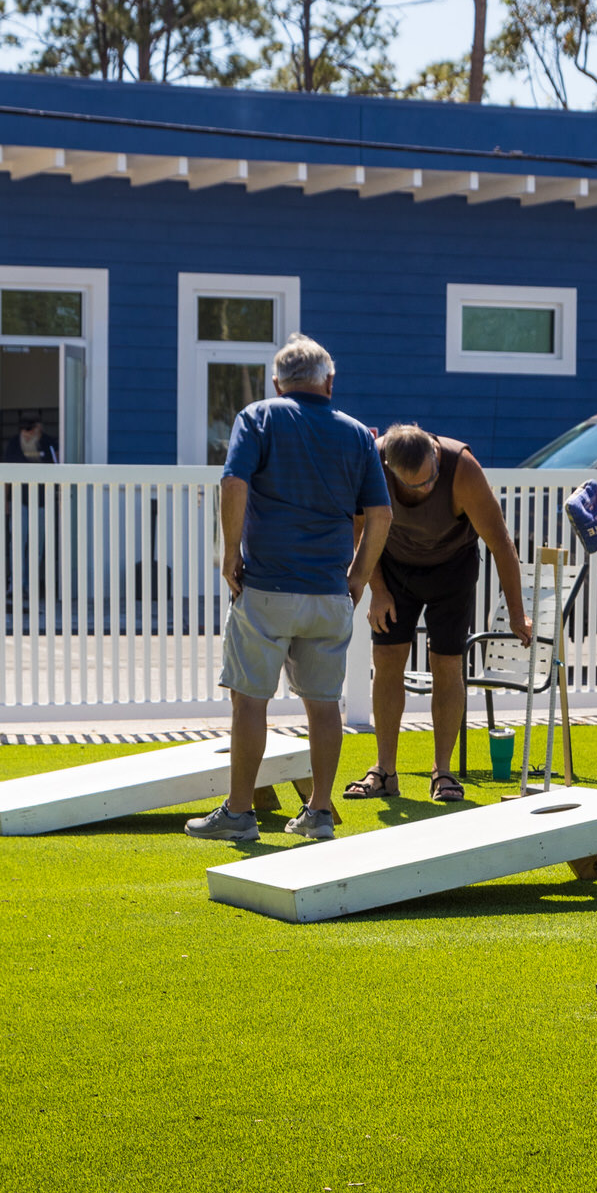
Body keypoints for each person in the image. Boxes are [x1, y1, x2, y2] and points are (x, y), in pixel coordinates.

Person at [186, 334, 392, 843]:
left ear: (277, 382)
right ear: (329, 380)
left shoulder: (259, 416)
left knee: (249, 701)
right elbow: (381, 513)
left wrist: (230, 554)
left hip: (267, 587)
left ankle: (239, 814)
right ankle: (319, 814)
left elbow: (233, 483)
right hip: (328, 591)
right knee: (324, 706)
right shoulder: (357, 435)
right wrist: (359, 577)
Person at [343, 424, 531, 804]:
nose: (423, 490)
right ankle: (384, 771)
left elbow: (500, 542)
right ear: (390, 468)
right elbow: (360, 528)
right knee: (387, 660)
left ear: (434, 457)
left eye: (428, 482)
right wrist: (377, 591)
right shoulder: (373, 462)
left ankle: (442, 772)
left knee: (446, 664)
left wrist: (516, 614)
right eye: (412, 487)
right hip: (393, 566)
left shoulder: (463, 470)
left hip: (452, 569)